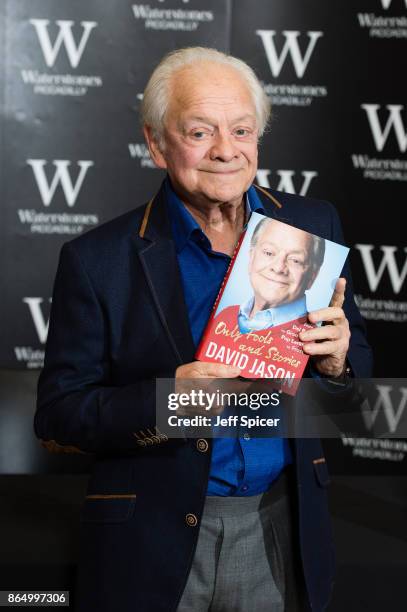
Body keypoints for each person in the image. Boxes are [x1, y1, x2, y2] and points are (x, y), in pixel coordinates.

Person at [34, 47, 373, 612]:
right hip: (153, 540)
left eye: (242, 130)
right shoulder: (98, 260)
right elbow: (58, 417)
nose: (225, 150)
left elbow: (347, 392)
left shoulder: (309, 226)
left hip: (281, 523)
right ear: (156, 142)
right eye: (199, 131)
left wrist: (337, 363)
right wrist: (173, 400)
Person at [219, 217, 326, 333]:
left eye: (295, 260)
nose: (278, 268)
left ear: (312, 277)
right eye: (268, 253)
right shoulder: (224, 315)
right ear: (251, 258)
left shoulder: (316, 340)